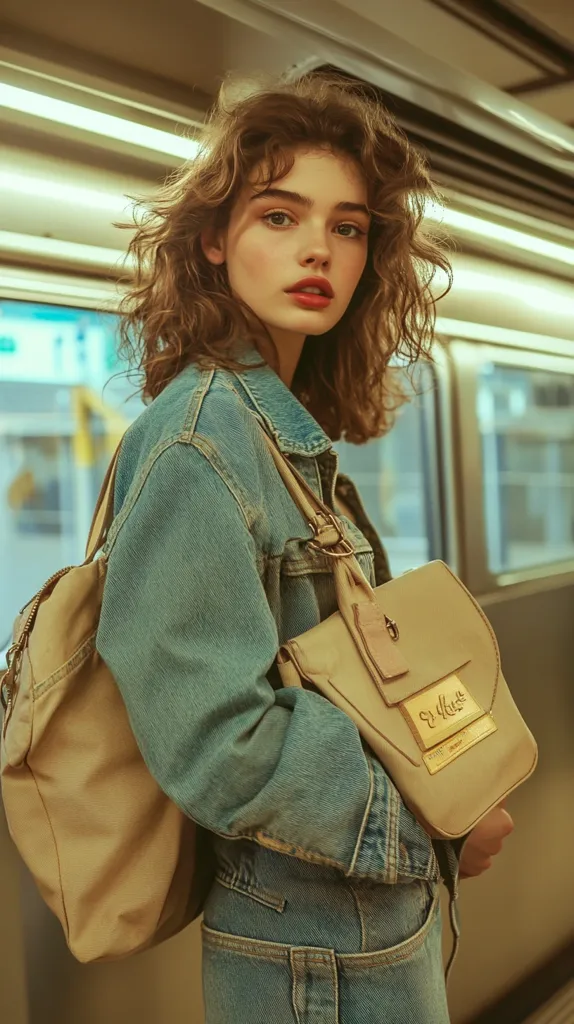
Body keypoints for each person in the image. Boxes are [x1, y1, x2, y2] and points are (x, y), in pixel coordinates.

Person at [97, 74, 514, 1023]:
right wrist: (431, 827)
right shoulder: (201, 442)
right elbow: (219, 737)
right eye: (280, 216)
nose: (318, 250)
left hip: (347, 927)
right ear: (213, 239)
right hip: (309, 952)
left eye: (350, 227)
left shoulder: (278, 434)